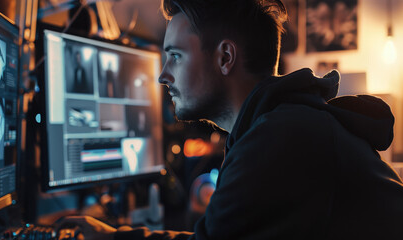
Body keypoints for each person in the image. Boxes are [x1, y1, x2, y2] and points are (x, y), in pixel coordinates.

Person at [58, 0, 403, 239]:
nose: (163, 75)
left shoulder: (280, 139)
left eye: (175, 56)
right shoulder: (280, 126)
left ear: (225, 57)